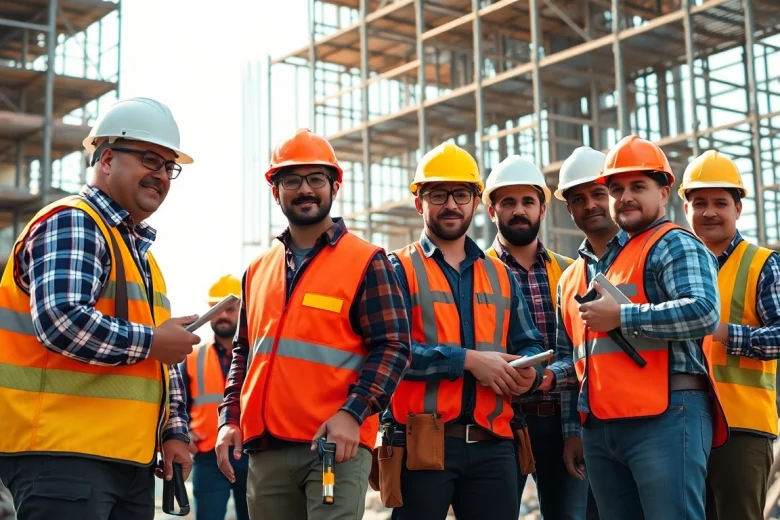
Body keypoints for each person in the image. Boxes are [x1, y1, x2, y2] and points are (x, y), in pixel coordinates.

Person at [0, 97, 201, 519]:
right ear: (107, 159)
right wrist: (152, 342)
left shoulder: (142, 257)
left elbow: (161, 362)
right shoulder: (73, 221)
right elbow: (61, 319)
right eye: (150, 159)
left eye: (169, 167)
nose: (161, 175)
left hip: (127, 460)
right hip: (62, 454)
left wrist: (174, 432)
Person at [215, 128, 411, 520]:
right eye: (292, 179)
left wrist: (352, 413)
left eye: (316, 179)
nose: (304, 189)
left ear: (334, 186)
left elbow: (393, 346)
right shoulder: (257, 271)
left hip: (334, 446)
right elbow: (244, 353)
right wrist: (228, 419)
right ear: (276, 190)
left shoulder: (367, 260)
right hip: (266, 450)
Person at [557, 135, 729, 520]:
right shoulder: (607, 263)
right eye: (616, 189)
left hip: (667, 415)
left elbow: (703, 312)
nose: (625, 197)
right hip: (603, 424)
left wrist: (624, 316)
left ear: (664, 190)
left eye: (638, 187)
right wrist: (573, 421)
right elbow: (581, 358)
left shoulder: (674, 243)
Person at [386, 142, 547, 520]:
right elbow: (391, 353)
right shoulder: (396, 269)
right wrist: (469, 361)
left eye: (461, 194)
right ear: (419, 203)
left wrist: (530, 375)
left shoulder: (500, 275)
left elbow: (530, 344)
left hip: (495, 446)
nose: (451, 205)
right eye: (438, 195)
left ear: (476, 202)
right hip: (421, 444)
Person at [481, 154, 591, 520]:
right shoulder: (476, 272)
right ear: (492, 211)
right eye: (508, 202)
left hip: (562, 420)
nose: (518, 211)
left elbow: (581, 352)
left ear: (543, 209)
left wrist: (574, 427)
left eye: (527, 201)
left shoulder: (570, 271)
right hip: (499, 422)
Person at [679, 150, 780, 520]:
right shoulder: (672, 266)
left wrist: (723, 332)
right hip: (680, 423)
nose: (709, 212)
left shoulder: (762, 264)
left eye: (720, 202)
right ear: (686, 209)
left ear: (738, 208)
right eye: (699, 202)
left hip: (743, 427)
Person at [550, 146, 623, 520]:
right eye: (578, 199)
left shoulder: (646, 253)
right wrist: (572, 431)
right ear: (568, 209)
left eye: (598, 194)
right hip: (597, 431)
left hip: (655, 424)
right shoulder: (568, 280)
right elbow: (573, 362)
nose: (590, 205)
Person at [180, 275, 249, 520]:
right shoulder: (192, 356)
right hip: (207, 454)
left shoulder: (258, 357)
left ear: (243, 309)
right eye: (215, 309)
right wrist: (184, 431)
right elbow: (178, 403)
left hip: (251, 451)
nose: (222, 315)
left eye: (230, 309)